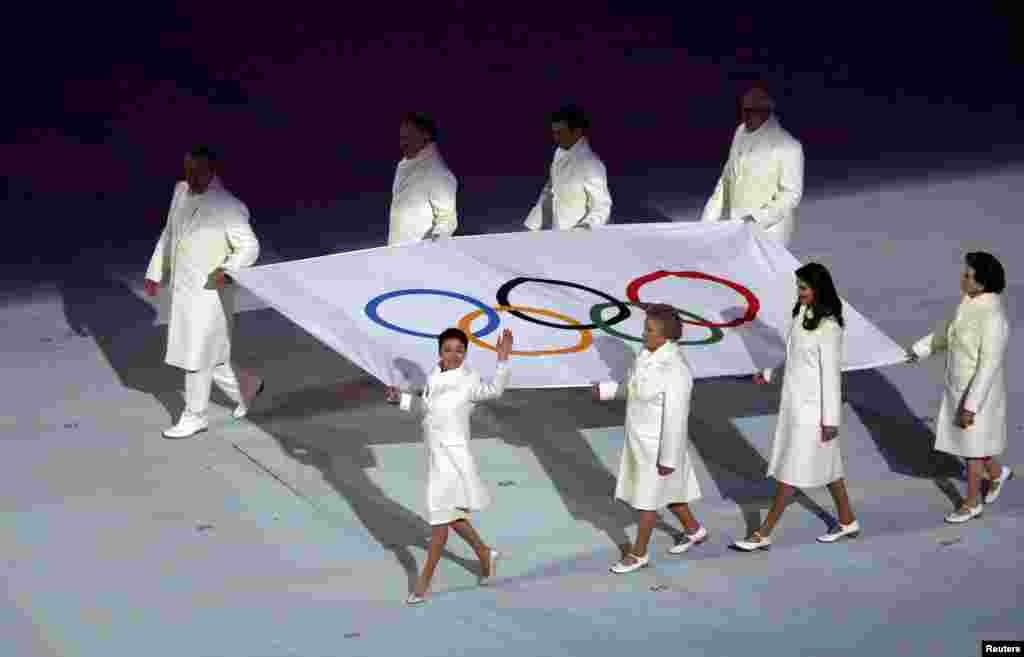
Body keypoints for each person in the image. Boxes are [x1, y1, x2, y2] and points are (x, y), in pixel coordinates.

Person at [733, 263, 859, 551]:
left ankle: (763, 533)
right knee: (830, 468)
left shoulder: (829, 328)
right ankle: (848, 520)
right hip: (795, 406)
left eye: (804, 287)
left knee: (789, 473)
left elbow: (831, 376)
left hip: (812, 413)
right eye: (798, 287)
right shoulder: (802, 315)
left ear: (818, 289)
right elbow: (794, 357)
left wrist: (830, 420)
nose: (799, 292)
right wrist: (769, 373)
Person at [386, 327, 513, 604]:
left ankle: (423, 582)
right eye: (448, 350)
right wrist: (401, 399)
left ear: (465, 353)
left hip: (453, 461)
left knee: (439, 524)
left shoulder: (469, 380)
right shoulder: (434, 375)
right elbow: (426, 408)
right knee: (452, 516)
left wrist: (502, 359)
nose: (454, 355)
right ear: (439, 352)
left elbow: (494, 390)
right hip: (435, 456)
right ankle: (484, 553)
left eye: (460, 350)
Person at [144, 146, 263, 439]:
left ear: (212, 171)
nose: (191, 176)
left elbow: (249, 246)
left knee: (196, 355)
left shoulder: (227, 205)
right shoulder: (181, 191)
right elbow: (170, 232)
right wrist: (155, 271)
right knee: (213, 355)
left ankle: (195, 416)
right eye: (187, 170)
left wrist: (228, 270)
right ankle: (247, 387)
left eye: (197, 171)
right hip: (184, 291)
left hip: (211, 294)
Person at [593, 304, 706, 573]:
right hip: (640, 443)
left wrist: (668, 459)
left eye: (650, 330)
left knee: (647, 501)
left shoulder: (675, 369)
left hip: (658, 448)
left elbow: (677, 418)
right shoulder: (646, 355)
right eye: (645, 328)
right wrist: (608, 391)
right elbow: (636, 389)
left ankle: (638, 553)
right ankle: (694, 530)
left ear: (666, 335)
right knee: (669, 493)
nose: (644, 334)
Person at [906, 252, 1012, 522]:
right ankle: (997, 474)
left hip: (979, 395)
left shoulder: (993, 318)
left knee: (971, 451)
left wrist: (971, 406)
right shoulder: (967, 304)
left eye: (968, 275)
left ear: (982, 283)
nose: (963, 278)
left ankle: (971, 503)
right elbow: (947, 334)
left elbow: (988, 367)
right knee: (972, 444)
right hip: (959, 389)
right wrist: (920, 350)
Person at [700, 85, 804, 247]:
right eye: (743, 110)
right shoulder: (740, 132)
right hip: (735, 231)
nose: (745, 116)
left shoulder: (789, 146)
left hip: (768, 236)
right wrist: (706, 222)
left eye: (751, 111)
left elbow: (791, 195)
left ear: (766, 111)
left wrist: (757, 219)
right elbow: (726, 180)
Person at [524, 104, 612, 231]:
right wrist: (532, 226)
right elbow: (549, 192)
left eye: (560, 133)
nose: (555, 138)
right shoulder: (559, 155)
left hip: (578, 237)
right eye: (554, 133)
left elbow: (601, 205)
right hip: (554, 233)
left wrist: (585, 227)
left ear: (577, 132)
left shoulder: (591, 164)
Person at [387, 112, 458, 246]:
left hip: (419, 254)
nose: (403, 143)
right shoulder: (404, 167)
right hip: (397, 252)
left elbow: (447, 220)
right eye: (402, 137)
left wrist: (430, 249)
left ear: (426, 135)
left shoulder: (436, 171)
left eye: (409, 136)